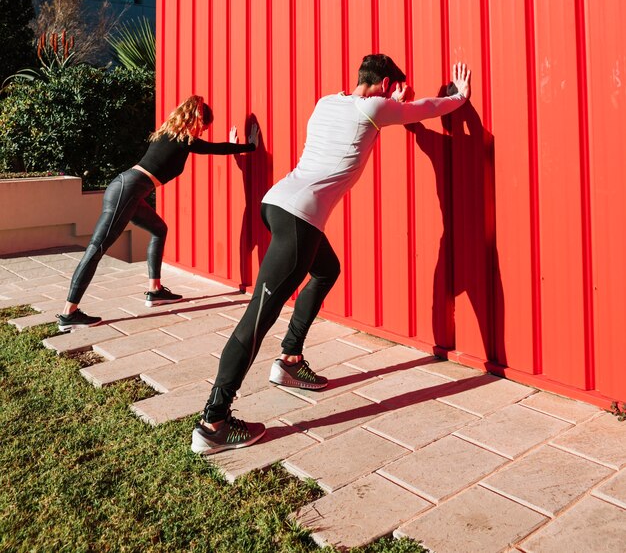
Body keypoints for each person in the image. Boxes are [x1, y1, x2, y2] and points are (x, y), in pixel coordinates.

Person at [191, 56, 471, 455]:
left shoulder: (327, 102)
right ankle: (213, 422)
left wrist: (394, 103)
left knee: (326, 269)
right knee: (257, 317)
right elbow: (425, 109)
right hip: (300, 219)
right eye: (391, 88)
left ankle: (289, 360)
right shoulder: (374, 107)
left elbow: (376, 120)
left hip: (277, 204)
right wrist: (458, 97)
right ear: (386, 82)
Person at [56, 95, 257, 332]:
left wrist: (233, 147)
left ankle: (155, 290)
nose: (202, 131)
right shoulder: (183, 139)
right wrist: (249, 146)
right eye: (203, 126)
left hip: (128, 189)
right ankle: (69, 313)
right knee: (96, 248)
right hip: (127, 190)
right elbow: (215, 148)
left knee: (159, 229)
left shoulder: (167, 134)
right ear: (196, 118)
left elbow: (212, 147)